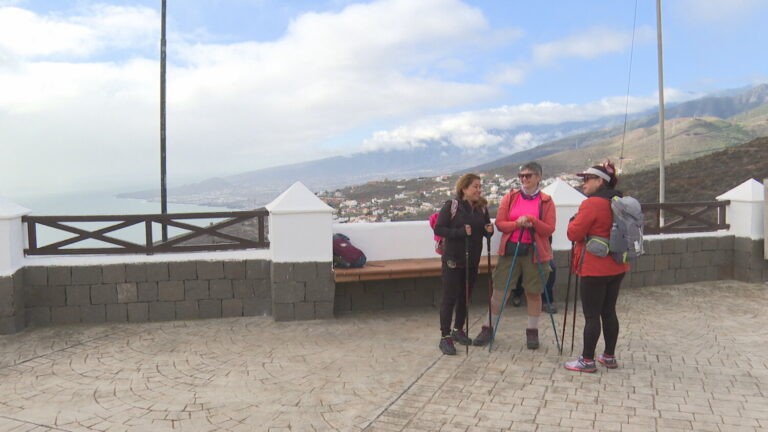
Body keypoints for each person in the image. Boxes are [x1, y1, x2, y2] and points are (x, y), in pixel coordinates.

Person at [473, 162, 556, 349]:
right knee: (500, 291)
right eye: (521, 176)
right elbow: (501, 224)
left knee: (533, 292)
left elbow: (549, 229)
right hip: (511, 250)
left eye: (528, 175)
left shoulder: (546, 201)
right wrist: (518, 224)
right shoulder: (510, 197)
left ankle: (532, 332)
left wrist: (533, 221)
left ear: (538, 177)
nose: (524, 179)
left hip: (535, 252)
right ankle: (488, 328)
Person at [564, 160, 629, 372]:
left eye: (587, 179)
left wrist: (573, 222)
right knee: (609, 312)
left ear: (600, 181)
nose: (583, 183)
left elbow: (574, 233)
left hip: (594, 267)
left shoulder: (592, 204)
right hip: (617, 265)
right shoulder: (619, 201)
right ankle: (609, 356)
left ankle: (587, 360)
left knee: (592, 316)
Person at [433, 173, 494, 355]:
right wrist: (459, 232)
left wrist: (489, 231)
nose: (479, 190)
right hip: (452, 261)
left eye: (480, 186)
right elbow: (439, 228)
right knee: (449, 298)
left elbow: (485, 228)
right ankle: (445, 337)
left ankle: (458, 329)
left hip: (472, 262)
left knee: (465, 297)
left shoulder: (481, 208)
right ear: (464, 188)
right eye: (475, 186)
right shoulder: (452, 206)